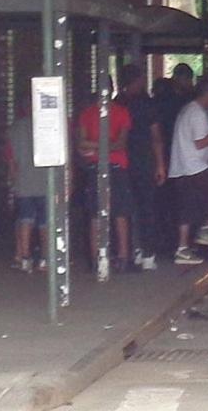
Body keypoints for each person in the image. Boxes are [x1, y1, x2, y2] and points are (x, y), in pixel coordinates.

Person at [169, 78, 208, 265]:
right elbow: (201, 143)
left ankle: (182, 249)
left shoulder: (187, 110)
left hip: (181, 167)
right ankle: (206, 229)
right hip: (195, 166)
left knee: (186, 209)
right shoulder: (197, 114)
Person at [78, 81, 135, 273]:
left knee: (98, 213)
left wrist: (94, 146)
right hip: (116, 165)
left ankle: (97, 259)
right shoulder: (120, 112)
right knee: (118, 213)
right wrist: (107, 146)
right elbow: (118, 144)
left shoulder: (88, 113)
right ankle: (123, 258)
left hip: (97, 165)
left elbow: (86, 144)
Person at [116, 64, 167, 270]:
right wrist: (161, 165)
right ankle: (148, 254)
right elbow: (156, 138)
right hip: (144, 162)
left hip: (121, 162)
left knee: (126, 209)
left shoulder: (117, 104)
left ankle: (131, 251)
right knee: (147, 208)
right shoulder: (148, 105)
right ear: (137, 80)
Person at [5, 97, 47, 273]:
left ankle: (25, 257)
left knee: (25, 220)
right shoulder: (47, 126)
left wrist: (13, 182)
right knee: (46, 222)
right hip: (45, 182)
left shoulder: (14, 130)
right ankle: (46, 259)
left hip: (23, 181)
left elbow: (11, 160)